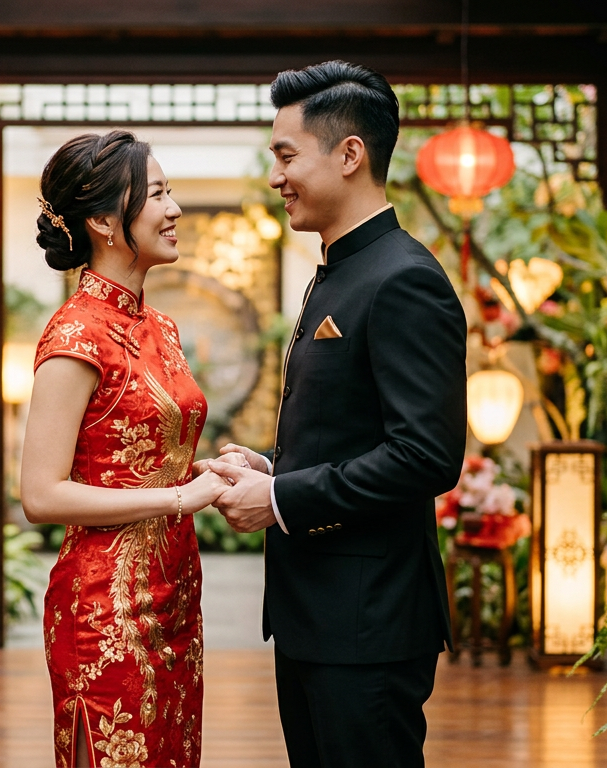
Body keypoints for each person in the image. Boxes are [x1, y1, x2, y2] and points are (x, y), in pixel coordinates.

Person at [204, 61, 468, 768]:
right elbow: (348, 432)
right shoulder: (337, 272)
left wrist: (281, 497)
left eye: (286, 155)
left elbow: (426, 456)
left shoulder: (405, 278)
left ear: (350, 154)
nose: (275, 176)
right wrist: (268, 467)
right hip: (316, 619)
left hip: (368, 625)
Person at [19, 130, 237, 768]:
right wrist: (180, 495)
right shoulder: (74, 333)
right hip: (105, 610)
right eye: (159, 195)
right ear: (104, 221)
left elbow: (133, 457)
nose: (175, 210)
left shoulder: (158, 325)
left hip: (174, 594)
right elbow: (40, 493)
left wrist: (204, 471)